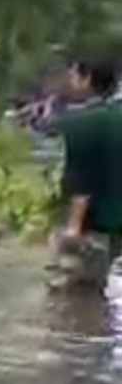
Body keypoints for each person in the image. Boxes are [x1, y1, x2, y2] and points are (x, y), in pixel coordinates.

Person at [49, 58, 122, 293]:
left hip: (96, 226)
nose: (69, 84)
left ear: (87, 79)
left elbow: (80, 181)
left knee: (77, 298)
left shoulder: (81, 122)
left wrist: (73, 226)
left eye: (73, 77)